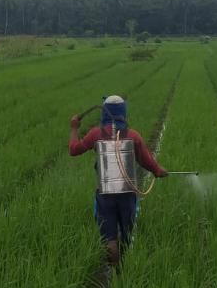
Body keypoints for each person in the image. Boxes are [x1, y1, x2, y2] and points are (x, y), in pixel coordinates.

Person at [69, 95, 168, 264]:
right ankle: (125, 270)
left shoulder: (95, 134)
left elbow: (74, 149)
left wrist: (74, 128)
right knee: (127, 234)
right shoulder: (133, 136)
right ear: (123, 112)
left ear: (104, 113)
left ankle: (113, 269)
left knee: (109, 237)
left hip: (105, 194)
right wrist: (158, 171)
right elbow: (147, 162)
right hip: (127, 194)